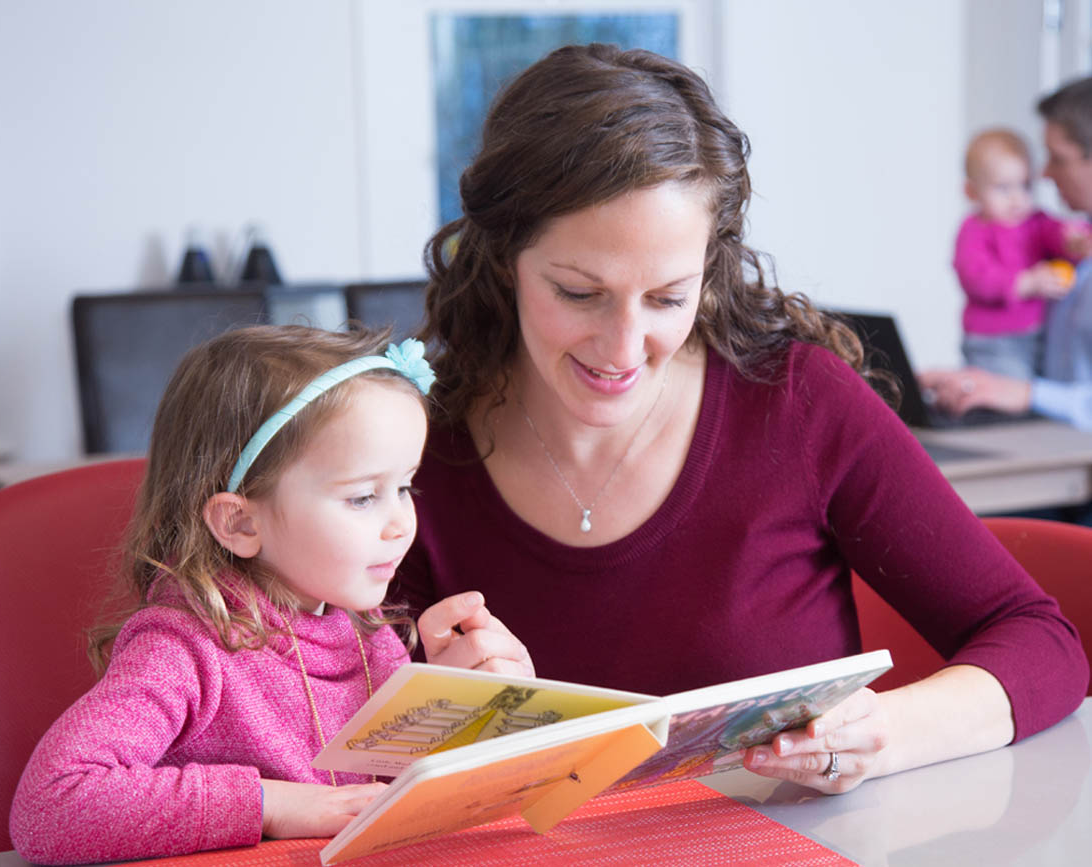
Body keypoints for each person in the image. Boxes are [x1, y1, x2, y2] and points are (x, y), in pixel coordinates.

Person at [394, 44, 1088, 798]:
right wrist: (424, 700)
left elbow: (1040, 642)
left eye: (666, 297)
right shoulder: (413, 448)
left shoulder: (796, 404)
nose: (623, 349)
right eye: (578, 292)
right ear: (505, 260)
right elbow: (314, 728)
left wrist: (874, 737)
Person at [9, 326, 533, 864]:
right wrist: (272, 804)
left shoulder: (369, 634)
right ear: (239, 523)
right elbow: (50, 806)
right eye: (361, 497)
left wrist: (462, 715)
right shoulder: (185, 650)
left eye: (405, 487)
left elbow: (386, 809)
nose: (402, 523)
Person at [923, 76, 1092, 432]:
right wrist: (973, 383)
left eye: (1058, 159)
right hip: (1042, 436)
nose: (1045, 174)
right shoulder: (1067, 244)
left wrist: (1029, 394)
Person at [952, 127, 1085, 379]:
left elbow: (1058, 235)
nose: (1017, 199)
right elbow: (976, 277)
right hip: (993, 341)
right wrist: (1026, 283)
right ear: (971, 192)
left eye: (1024, 186)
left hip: (1040, 335)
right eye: (1003, 188)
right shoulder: (975, 230)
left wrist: (1075, 239)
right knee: (1004, 397)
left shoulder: (1037, 221)